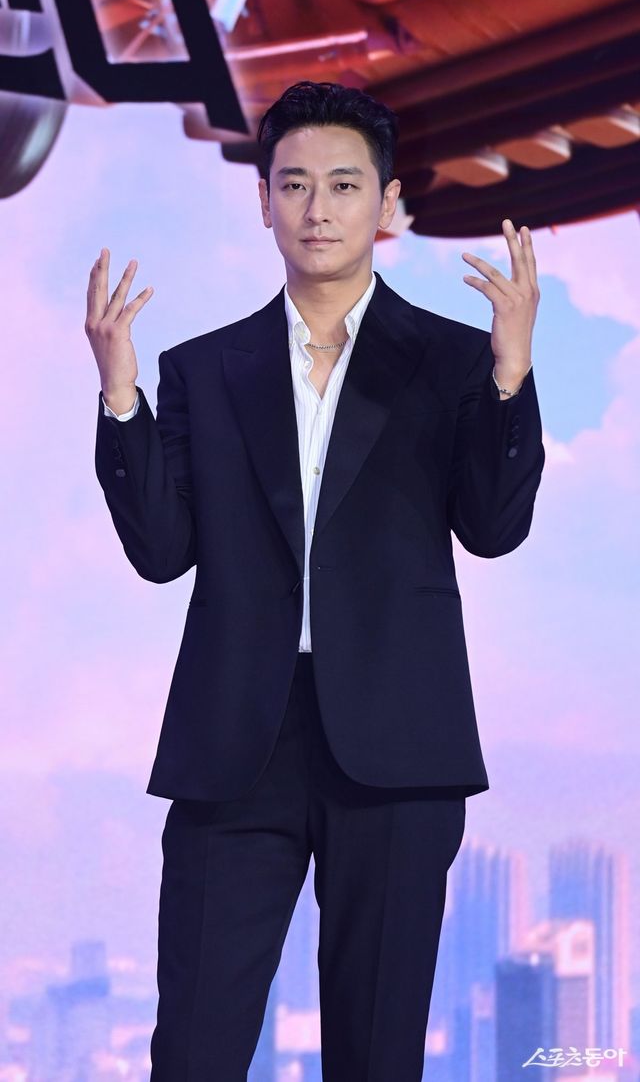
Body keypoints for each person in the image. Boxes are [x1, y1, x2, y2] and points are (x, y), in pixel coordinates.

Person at [86, 80, 544, 1082]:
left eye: (343, 184)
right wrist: (121, 397)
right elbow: (161, 550)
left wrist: (510, 378)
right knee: (194, 1051)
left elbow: (493, 527)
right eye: (293, 184)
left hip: (398, 746)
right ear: (263, 201)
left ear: (386, 204)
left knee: (377, 1055)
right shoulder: (204, 369)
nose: (317, 208)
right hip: (235, 743)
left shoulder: (453, 360)